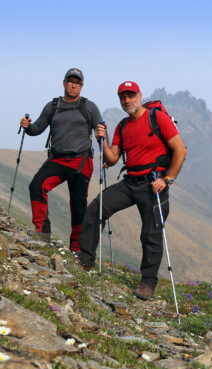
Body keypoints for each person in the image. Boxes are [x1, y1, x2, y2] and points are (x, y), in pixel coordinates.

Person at [78, 81, 187, 300]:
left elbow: (180, 150)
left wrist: (168, 180)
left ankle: (148, 284)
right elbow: (113, 158)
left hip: (154, 183)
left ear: (139, 96)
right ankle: (85, 261)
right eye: (123, 97)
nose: (127, 101)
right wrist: (103, 140)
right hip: (130, 182)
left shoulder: (158, 119)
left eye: (131, 96)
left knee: (151, 233)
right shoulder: (122, 126)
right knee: (97, 208)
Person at [20, 68, 101, 249]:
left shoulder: (89, 107)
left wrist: (103, 140)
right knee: (37, 186)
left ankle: (77, 249)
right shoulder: (53, 106)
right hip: (57, 159)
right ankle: (42, 233)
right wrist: (27, 126)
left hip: (81, 161)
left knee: (78, 204)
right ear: (64, 83)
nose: (74, 85)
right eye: (70, 81)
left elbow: (100, 130)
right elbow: (38, 129)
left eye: (77, 82)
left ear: (81, 86)